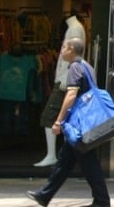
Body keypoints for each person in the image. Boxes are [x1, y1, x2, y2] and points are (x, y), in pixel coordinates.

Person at [27, 37, 110, 207]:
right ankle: (45, 195)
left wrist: (59, 121)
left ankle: (102, 201)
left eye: (63, 47)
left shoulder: (75, 67)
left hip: (79, 124)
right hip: (85, 122)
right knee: (65, 161)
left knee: (89, 163)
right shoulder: (87, 66)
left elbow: (71, 94)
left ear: (71, 49)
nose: (61, 50)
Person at [35, 11, 86, 167]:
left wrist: (65, 79)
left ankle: (53, 155)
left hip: (66, 80)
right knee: (66, 118)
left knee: (50, 116)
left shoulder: (74, 29)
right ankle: (64, 155)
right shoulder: (76, 28)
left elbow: (72, 55)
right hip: (66, 79)